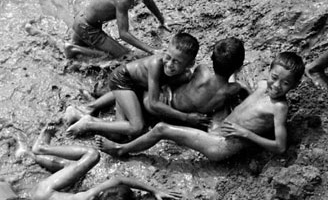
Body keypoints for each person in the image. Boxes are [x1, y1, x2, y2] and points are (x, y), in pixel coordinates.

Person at [96, 52, 305, 161]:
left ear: (294, 86)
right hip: (221, 125)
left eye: (285, 84)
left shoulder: (280, 108)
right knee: (224, 96)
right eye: (275, 77)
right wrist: (240, 87)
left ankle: (122, 149)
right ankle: (115, 99)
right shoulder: (261, 85)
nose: (276, 85)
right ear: (269, 71)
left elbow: (280, 147)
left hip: (221, 144)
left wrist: (247, 134)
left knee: (161, 129)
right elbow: (250, 104)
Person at [16, 125, 180, 200]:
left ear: (99, 197)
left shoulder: (87, 198)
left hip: (41, 194)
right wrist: (153, 190)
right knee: (74, 170)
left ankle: (41, 150)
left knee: (92, 155)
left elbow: (119, 179)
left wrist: (153, 189)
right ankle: (39, 152)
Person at [71, 36, 247, 122]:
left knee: (137, 87)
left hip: (159, 99)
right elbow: (241, 86)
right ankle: (94, 110)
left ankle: (95, 106)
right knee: (134, 90)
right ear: (238, 67)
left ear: (212, 59)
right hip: (158, 103)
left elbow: (193, 75)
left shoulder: (202, 70)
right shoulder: (233, 90)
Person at [64, 32, 200, 139]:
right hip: (122, 79)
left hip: (134, 86)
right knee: (136, 127)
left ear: (190, 64)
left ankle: (79, 113)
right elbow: (153, 103)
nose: (169, 64)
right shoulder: (156, 64)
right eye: (168, 57)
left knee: (118, 134)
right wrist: (185, 117)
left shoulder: (185, 73)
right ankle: (89, 123)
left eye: (177, 62)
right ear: (165, 50)